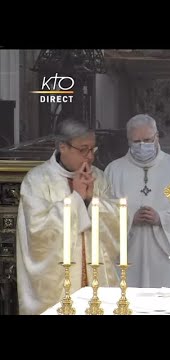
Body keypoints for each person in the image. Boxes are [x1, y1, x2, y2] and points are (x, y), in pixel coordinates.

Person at [16, 119, 120, 315]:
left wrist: (90, 200)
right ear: (63, 147)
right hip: (56, 285)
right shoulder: (37, 180)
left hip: (94, 276)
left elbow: (117, 224)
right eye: (83, 150)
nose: (90, 157)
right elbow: (37, 231)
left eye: (93, 150)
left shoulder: (99, 177)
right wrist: (76, 199)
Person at [104, 114, 170, 288]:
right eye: (136, 141)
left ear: (157, 137)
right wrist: (128, 218)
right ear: (128, 141)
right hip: (127, 255)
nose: (142, 145)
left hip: (165, 255)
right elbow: (103, 213)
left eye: (147, 139)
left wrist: (162, 218)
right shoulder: (114, 170)